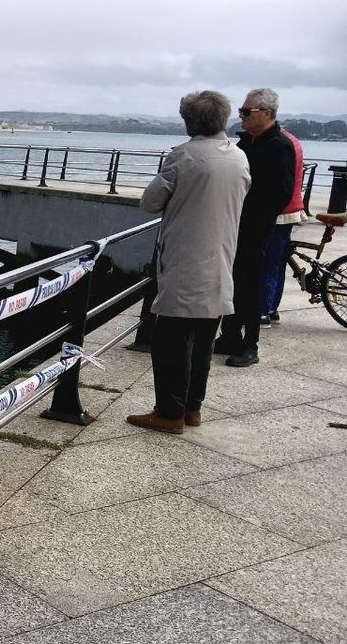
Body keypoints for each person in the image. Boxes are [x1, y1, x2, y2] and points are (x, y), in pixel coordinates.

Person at [127, 91, 250, 435]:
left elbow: (150, 202)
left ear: (189, 121)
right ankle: (193, 407)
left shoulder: (184, 156)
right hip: (221, 258)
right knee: (203, 343)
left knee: (170, 343)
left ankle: (169, 412)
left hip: (185, 259)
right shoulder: (239, 157)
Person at [214, 89, 301, 366]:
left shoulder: (279, 146)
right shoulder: (244, 144)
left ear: (267, 113)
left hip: (255, 227)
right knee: (229, 281)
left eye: (246, 111)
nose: (241, 116)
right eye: (241, 111)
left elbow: (283, 192)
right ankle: (228, 335)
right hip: (232, 223)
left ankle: (250, 344)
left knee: (249, 284)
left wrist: (256, 217)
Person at [259, 120, 306, 328]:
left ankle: (263, 311)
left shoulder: (278, 143)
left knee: (267, 264)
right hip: (292, 210)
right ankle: (272, 307)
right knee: (278, 263)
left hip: (279, 213)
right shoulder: (292, 141)